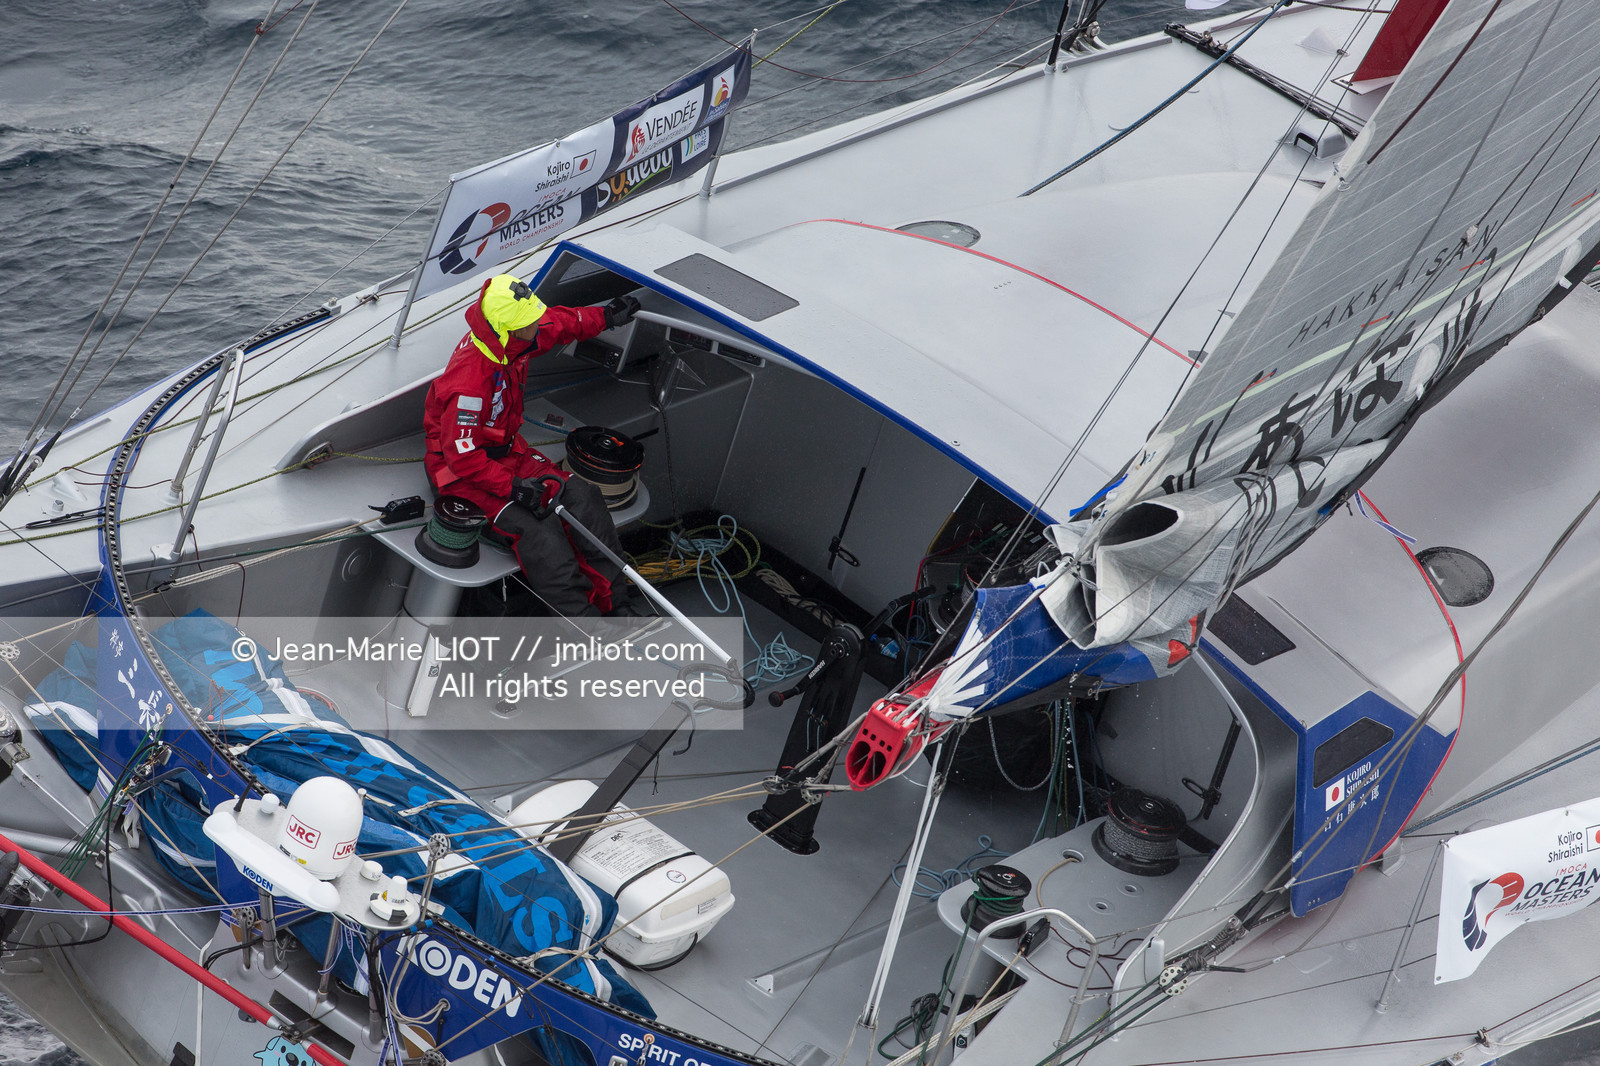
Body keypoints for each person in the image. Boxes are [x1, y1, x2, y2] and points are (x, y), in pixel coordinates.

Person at [423, 273, 643, 616]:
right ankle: (587, 625)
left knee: (583, 497)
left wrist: (607, 317)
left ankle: (619, 605)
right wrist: (513, 488)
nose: (537, 324)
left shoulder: (514, 340)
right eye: (529, 322)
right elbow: (461, 459)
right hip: (464, 474)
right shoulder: (469, 384)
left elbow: (558, 323)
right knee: (541, 534)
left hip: (508, 454)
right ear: (506, 329)